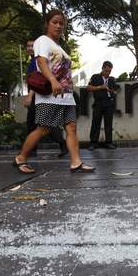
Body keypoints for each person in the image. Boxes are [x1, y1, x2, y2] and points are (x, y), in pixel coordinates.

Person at [13, 10, 94, 174]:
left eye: (61, 23)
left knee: (71, 127)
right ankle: (21, 157)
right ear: (47, 24)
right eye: (54, 22)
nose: (58, 25)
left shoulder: (59, 47)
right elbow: (41, 62)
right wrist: (52, 80)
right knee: (44, 128)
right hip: (49, 95)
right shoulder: (43, 41)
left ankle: (75, 162)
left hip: (66, 96)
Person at [23, 39, 68, 158]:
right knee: (34, 123)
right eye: (28, 46)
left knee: (44, 124)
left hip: (38, 96)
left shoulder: (38, 61)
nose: (29, 48)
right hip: (38, 96)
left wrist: (30, 96)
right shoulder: (34, 60)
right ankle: (32, 150)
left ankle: (63, 144)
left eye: (32, 46)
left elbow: (38, 81)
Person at [86, 61, 117, 150]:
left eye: (109, 71)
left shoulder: (112, 79)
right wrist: (100, 87)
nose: (108, 73)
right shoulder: (95, 77)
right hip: (98, 103)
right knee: (95, 123)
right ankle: (93, 143)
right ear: (102, 68)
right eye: (106, 71)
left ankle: (109, 142)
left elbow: (115, 89)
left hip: (109, 104)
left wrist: (112, 92)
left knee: (108, 124)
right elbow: (88, 88)